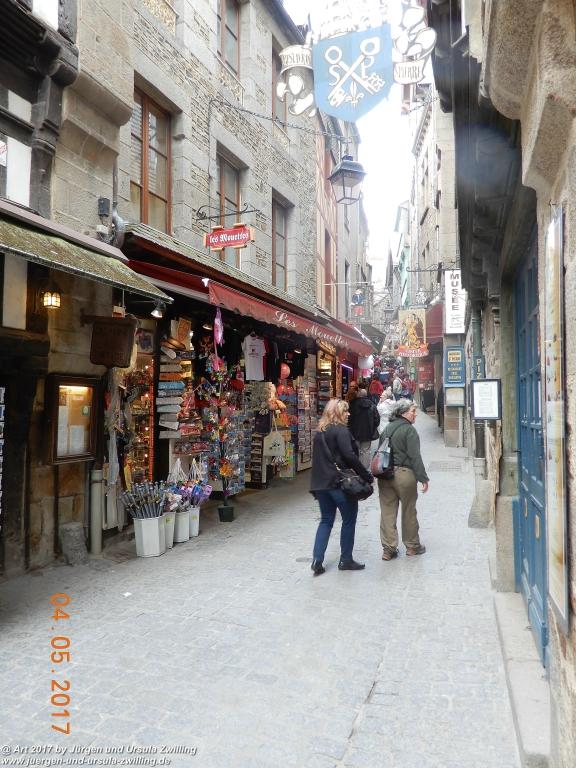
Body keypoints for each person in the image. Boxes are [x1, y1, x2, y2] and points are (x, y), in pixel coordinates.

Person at [309, 398, 373, 575]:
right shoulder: (341, 430)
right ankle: (346, 559)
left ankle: (317, 559)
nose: (349, 414)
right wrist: (366, 475)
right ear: (337, 413)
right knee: (349, 519)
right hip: (339, 483)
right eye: (345, 411)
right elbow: (350, 456)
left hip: (321, 484)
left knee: (326, 520)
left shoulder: (320, 432)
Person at [377, 399, 429, 560]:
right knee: (408, 511)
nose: (415, 415)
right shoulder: (409, 430)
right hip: (405, 475)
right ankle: (412, 546)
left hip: (385, 475)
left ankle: (388, 549)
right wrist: (423, 478)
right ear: (404, 413)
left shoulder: (387, 429)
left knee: (387, 511)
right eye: (413, 411)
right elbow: (415, 456)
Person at [348, 388, 380, 468]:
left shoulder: (353, 405)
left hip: (355, 432)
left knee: (355, 450)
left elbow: (349, 419)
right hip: (368, 432)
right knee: (366, 451)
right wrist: (372, 427)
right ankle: (364, 469)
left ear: (358, 395)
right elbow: (377, 420)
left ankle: (356, 468)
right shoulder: (372, 405)